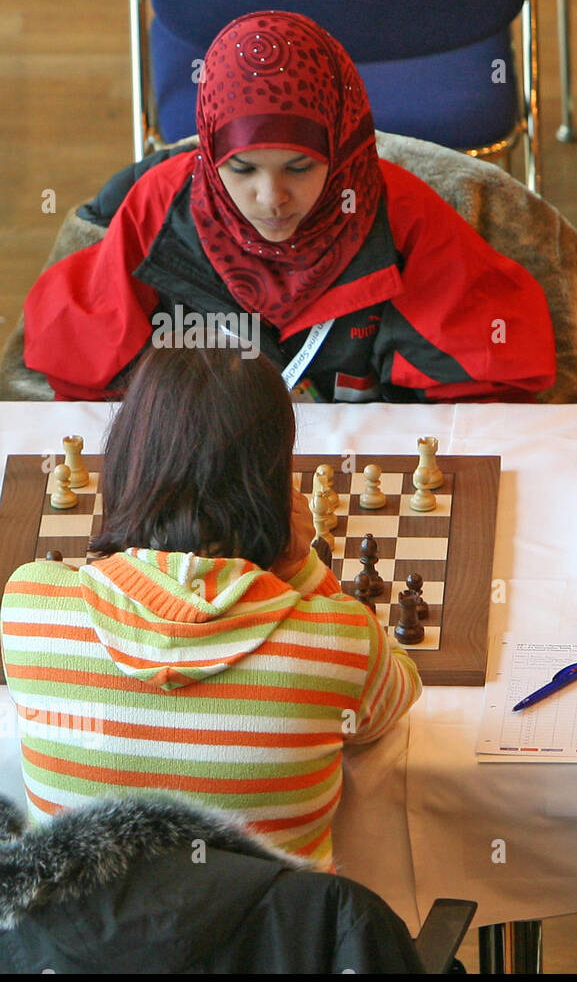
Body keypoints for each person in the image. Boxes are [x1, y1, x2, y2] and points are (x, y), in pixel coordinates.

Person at [0, 345, 422, 866]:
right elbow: (395, 698)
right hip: (275, 948)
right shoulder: (339, 640)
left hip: (76, 946)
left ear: (127, 458)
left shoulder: (31, 604)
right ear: (272, 479)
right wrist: (304, 567)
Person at [22, 10, 557, 404]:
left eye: (300, 168)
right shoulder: (159, 210)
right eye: (242, 169)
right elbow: (79, 371)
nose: (271, 198)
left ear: (343, 147)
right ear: (208, 155)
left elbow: (491, 388)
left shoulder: (402, 218)